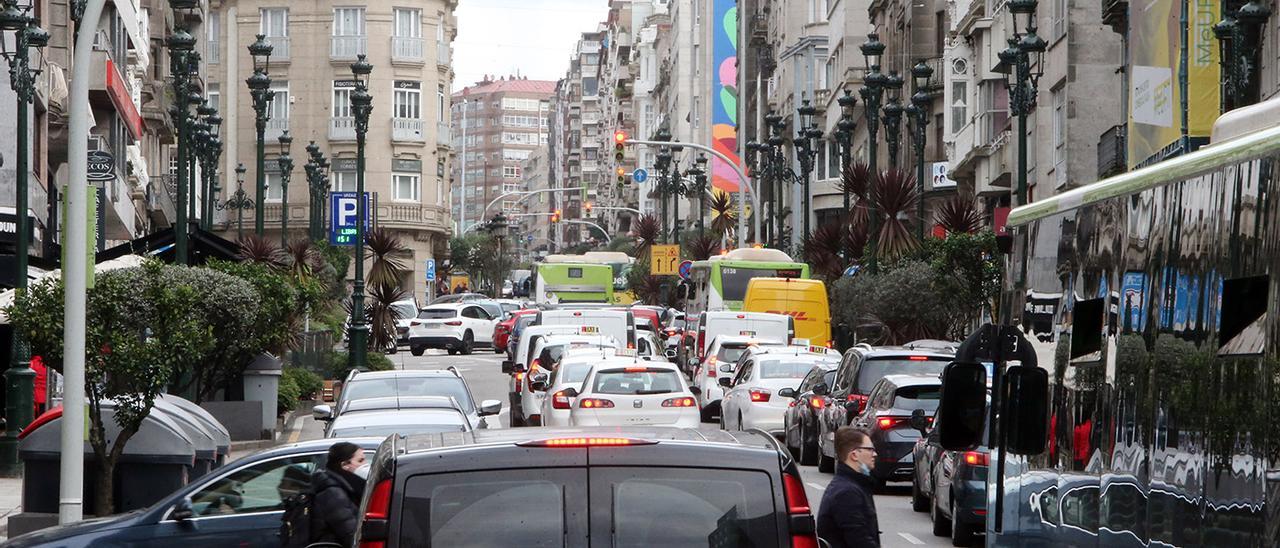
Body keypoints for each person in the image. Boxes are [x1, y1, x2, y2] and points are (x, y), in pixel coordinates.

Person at [816, 427, 881, 548]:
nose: (875, 454)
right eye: (870, 449)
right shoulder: (846, 493)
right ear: (854, 455)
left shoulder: (853, 485)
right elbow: (859, 540)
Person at [310, 442, 367, 546]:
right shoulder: (333, 493)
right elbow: (351, 534)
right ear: (344, 465)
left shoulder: (345, 485)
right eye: (360, 461)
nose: (365, 464)